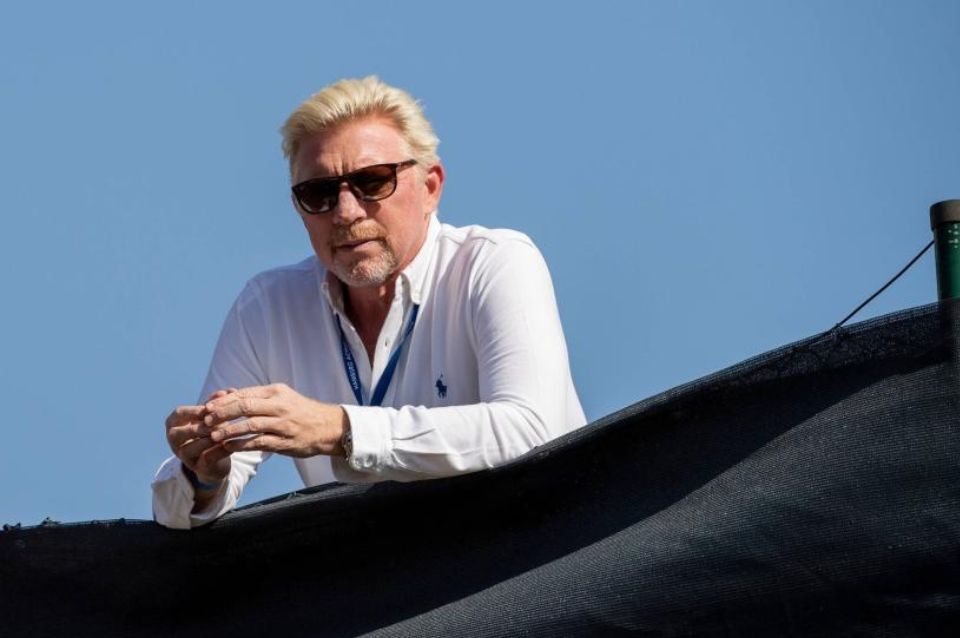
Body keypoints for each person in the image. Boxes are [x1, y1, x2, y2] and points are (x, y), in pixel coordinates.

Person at [152, 76, 586, 529]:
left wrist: (340, 429)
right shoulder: (268, 308)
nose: (346, 212)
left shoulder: (494, 262)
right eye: (319, 193)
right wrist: (203, 474)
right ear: (299, 208)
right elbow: (176, 512)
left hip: (536, 553)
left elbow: (530, 429)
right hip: (396, 570)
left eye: (373, 182)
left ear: (431, 187)